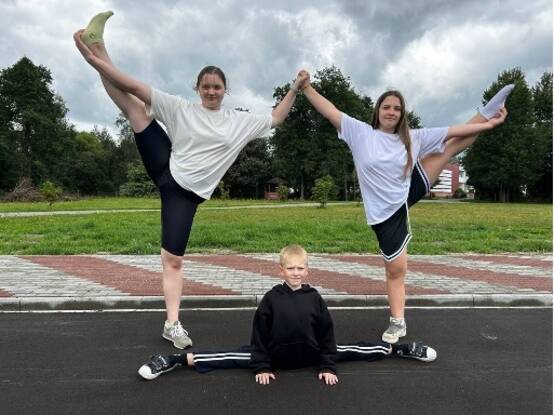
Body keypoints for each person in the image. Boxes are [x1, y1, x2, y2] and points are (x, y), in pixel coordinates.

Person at [73, 12, 309, 349]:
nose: (211, 91)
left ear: (225, 90)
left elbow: (276, 118)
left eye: (217, 87)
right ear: (197, 89)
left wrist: (294, 88)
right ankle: (98, 47)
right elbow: (130, 84)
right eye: (206, 86)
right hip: (166, 167)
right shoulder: (181, 108)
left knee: (174, 259)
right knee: (135, 107)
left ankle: (96, 50)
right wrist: (93, 59)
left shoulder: (238, 122)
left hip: (184, 196)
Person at [297, 70, 512, 344]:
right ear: (378, 110)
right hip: (382, 212)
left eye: (397, 108)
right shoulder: (360, 133)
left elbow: (457, 131)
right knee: (393, 269)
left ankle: (397, 323)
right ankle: (396, 318)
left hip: (405, 194)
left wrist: (489, 124)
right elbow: (331, 111)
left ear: (401, 114)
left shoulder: (413, 137)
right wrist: (306, 88)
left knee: (449, 148)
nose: (392, 111)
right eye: (387, 107)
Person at [138, 245, 437, 384]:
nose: (296, 273)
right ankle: (173, 360)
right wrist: (262, 366)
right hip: (275, 357)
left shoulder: (315, 298)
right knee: (228, 357)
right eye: (290, 269)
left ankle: (400, 348)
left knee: (355, 349)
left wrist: (328, 366)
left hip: (311, 353)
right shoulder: (270, 299)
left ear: (307, 270)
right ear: (281, 270)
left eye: (300, 268)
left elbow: (328, 335)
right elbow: (258, 337)